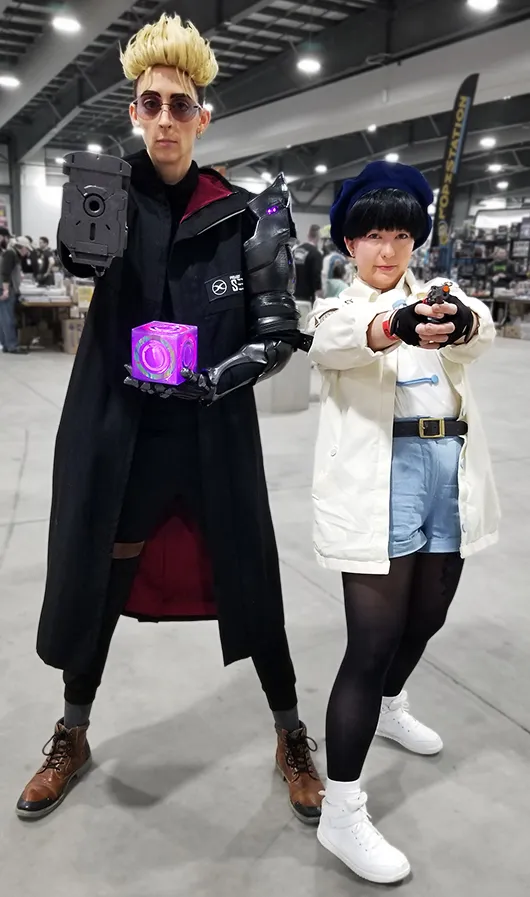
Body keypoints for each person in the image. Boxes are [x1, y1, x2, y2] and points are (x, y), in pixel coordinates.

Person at [16, 14, 323, 824]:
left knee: (252, 573)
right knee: (98, 575)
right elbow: (81, 259)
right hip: (120, 430)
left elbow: (278, 332)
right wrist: (89, 217)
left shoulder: (244, 214)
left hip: (212, 429)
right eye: (149, 103)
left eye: (179, 105)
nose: (163, 119)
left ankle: (291, 732)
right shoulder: (105, 197)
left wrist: (215, 379)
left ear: (202, 118)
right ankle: (72, 731)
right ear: (133, 111)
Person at [307, 161, 499, 884]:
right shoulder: (335, 309)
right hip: (381, 480)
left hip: (448, 470)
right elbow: (339, 340)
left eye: (399, 235)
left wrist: (458, 319)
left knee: (427, 618)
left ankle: (391, 706)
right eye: (371, 235)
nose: (386, 250)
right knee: (372, 641)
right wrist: (398, 324)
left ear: (416, 240)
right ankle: (341, 810)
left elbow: (479, 332)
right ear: (349, 244)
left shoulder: (441, 296)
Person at [0, 235, 31, 354]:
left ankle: (6, 345)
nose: (27, 252)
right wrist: (6, 290)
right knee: (8, 319)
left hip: (8, 288)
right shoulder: (10, 254)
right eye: (27, 249)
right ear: (22, 247)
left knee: (4, 318)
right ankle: (12, 346)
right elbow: (5, 273)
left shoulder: (12, 254)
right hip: (7, 289)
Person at [294, 224, 323, 305]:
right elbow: (317, 275)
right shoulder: (316, 254)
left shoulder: (295, 251)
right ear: (318, 237)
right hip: (307, 298)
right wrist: (319, 293)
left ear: (308, 235)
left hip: (293, 296)